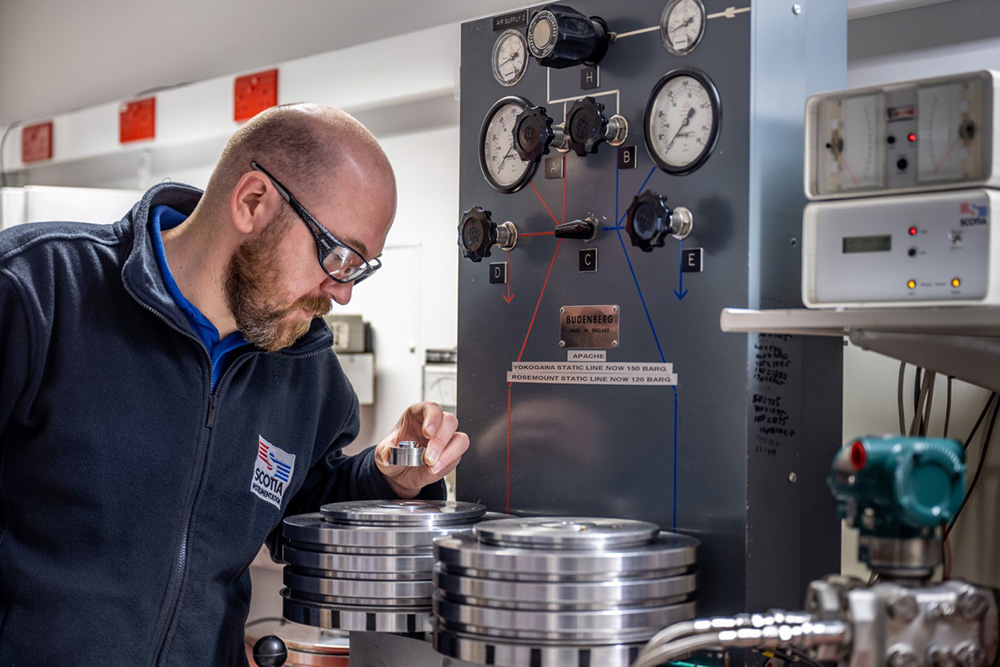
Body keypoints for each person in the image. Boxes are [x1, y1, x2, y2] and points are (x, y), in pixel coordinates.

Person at [0, 103, 469, 665]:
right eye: (338, 255)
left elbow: (307, 509)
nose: (342, 292)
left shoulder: (304, 370)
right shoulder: (37, 294)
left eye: (360, 268)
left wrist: (391, 476)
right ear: (252, 202)